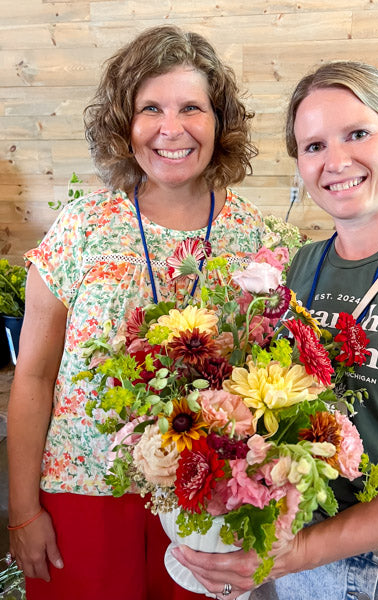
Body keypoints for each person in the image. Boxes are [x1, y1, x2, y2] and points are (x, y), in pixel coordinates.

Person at [172, 61, 378, 600]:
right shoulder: (297, 268)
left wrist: (303, 552)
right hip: (291, 552)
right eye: (314, 146)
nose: (336, 160)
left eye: (358, 134)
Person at [7, 25, 265, 600]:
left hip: (209, 500)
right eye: (151, 108)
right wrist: (23, 511)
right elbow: (34, 375)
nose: (171, 129)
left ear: (220, 122)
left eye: (191, 108)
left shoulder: (261, 238)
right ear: (124, 125)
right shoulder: (80, 227)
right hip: (83, 494)